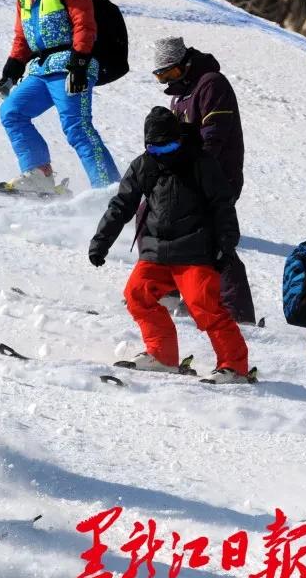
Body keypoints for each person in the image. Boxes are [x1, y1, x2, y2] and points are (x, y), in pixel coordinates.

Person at [89, 107, 252, 384]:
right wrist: (101, 241)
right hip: (156, 249)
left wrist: (226, 245)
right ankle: (162, 357)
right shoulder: (144, 165)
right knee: (137, 293)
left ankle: (234, 367)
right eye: (156, 149)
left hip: (195, 250)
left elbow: (222, 205)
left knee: (205, 306)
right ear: (147, 145)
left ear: (180, 139)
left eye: (171, 146)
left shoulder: (201, 162)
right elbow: (122, 205)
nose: (164, 154)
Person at [0, 0, 120, 195]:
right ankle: (39, 173)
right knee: (12, 112)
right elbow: (22, 35)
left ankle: (111, 193)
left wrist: (80, 64)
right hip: (41, 69)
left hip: (71, 66)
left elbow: (84, 24)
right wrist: (13, 67)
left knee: (77, 128)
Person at [151, 36, 256, 324]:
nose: (166, 80)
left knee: (214, 240)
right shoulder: (180, 96)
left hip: (218, 177)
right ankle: (174, 292)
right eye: (160, 76)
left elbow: (215, 135)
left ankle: (238, 313)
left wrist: (195, 172)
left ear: (184, 64)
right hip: (192, 177)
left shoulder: (211, 84)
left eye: (169, 73)